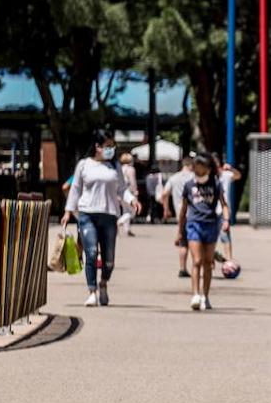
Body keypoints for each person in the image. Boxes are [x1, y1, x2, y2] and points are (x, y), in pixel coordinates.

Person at [61, 131, 141, 307]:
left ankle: (103, 283)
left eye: (113, 146)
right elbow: (75, 189)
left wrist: (132, 200)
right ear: (97, 147)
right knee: (90, 252)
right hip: (87, 213)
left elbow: (122, 189)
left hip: (109, 214)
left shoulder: (114, 166)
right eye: (108, 146)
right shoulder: (84, 165)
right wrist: (68, 212)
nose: (111, 149)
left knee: (109, 259)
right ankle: (92, 291)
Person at [175, 153, 230, 311]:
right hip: (194, 224)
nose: (199, 172)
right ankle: (195, 294)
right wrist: (179, 230)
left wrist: (226, 221)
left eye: (202, 169)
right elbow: (183, 209)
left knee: (208, 262)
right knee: (197, 261)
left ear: (208, 168)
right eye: (197, 169)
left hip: (211, 224)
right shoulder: (189, 185)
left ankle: (205, 295)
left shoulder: (215, 184)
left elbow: (224, 204)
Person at [160, 155, 196, 277]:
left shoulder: (174, 178)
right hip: (195, 214)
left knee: (183, 242)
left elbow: (164, 194)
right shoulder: (195, 177)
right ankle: (198, 266)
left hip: (180, 214)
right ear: (191, 165)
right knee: (196, 242)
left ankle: (182, 268)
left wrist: (166, 209)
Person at [213, 154, 241, 261]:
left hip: (223, 210)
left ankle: (229, 260)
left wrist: (231, 168)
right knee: (210, 237)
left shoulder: (226, 175)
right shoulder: (209, 177)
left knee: (225, 235)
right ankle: (212, 257)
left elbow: (238, 176)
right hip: (210, 211)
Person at [118, 152, 140, 237]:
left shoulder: (120, 168)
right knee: (132, 212)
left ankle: (127, 229)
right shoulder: (131, 169)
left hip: (121, 193)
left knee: (125, 210)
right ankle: (120, 221)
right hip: (129, 192)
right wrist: (135, 192)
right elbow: (133, 182)